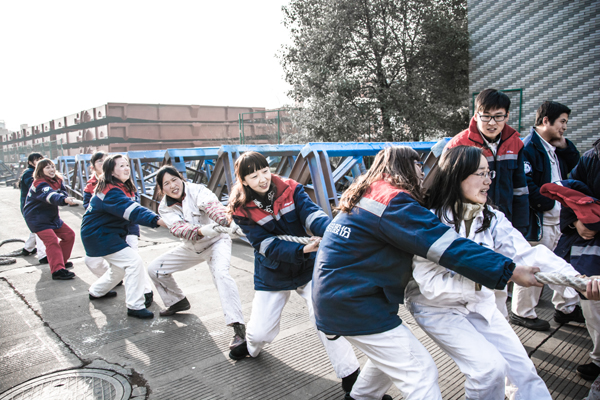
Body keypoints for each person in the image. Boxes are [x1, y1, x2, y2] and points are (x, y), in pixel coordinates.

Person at [311, 146, 542, 400]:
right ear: (403, 166)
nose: (423, 172)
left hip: (341, 298)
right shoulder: (393, 201)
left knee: (389, 355)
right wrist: (508, 270)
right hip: (356, 304)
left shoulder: (370, 192)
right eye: (418, 165)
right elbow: (447, 246)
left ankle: (360, 397)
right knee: (420, 372)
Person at [404, 145, 596, 399]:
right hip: (436, 308)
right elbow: (430, 283)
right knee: (488, 371)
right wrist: (498, 274)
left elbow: (527, 255)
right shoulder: (430, 222)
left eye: (489, 173)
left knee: (522, 371)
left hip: (479, 303)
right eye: (481, 174)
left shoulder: (490, 217)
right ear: (456, 175)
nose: (488, 181)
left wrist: (578, 281)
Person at [227, 151, 366, 397]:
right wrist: (301, 249)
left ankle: (351, 378)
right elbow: (264, 245)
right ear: (244, 181)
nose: (262, 179)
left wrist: (331, 231)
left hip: (308, 266)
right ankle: (251, 347)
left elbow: (312, 214)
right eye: (254, 176)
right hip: (273, 272)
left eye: (265, 171)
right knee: (260, 333)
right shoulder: (241, 208)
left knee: (325, 318)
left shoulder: (290, 188)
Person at [147, 166, 246, 348]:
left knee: (221, 276)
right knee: (155, 269)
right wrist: (201, 231)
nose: (172, 186)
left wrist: (227, 222)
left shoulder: (197, 190)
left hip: (217, 242)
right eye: (166, 184)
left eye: (174, 180)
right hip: (191, 247)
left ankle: (238, 328)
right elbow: (178, 228)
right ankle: (177, 301)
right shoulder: (164, 207)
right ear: (162, 189)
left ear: (181, 178)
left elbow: (213, 207)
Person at [511, 101, 583, 331]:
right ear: (545, 121)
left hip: (559, 220)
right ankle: (522, 312)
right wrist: (549, 202)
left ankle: (566, 308)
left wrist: (566, 146)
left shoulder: (556, 147)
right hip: (540, 220)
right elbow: (525, 183)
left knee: (560, 264)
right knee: (534, 265)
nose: (564, 127)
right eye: (562, 122)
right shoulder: (529, 147)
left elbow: (577, 166)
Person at [81, 154, 167, 319]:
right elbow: (133, 210)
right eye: (121, 166)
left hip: (102, 234)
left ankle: (96, 291)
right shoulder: (111, 191)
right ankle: (135, 305)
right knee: (133, 262)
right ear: (111, 172)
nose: (126, 168)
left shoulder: (120, 187)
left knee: (119, 268)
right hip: (100, 235)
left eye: (127, 165)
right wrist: (157, 220)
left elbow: (131, 210)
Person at [552, 137, 600, 380]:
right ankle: (598, 359)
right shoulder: (591, 158)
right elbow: (569, 194)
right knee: (593, 304)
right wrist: (576, 221)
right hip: (592, 248)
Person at [23, 158, 77, 280]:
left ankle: (61, 262)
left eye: (52, 166)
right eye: (47, 167)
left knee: (69, 235)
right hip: (37, 218)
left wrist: (65, 198)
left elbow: (62, 193)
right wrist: (63, 200)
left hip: (52, 217)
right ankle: (57, 270)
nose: (51, 169)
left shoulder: (57, 180)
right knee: (51, 240)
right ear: (40, 170)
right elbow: (50, 196)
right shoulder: (39, 183)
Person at [19, 152, 47, 264]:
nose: (39, 161)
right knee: (41, 228)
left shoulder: (38, 172)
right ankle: (43, 255)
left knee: (36, 229)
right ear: (30, 162)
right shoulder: (29, 174)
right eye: (36, 160)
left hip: (36, 205)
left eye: (41, 159)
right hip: (30, 206)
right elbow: (36, 186)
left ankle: (28, 249)